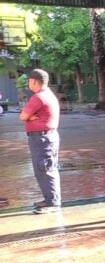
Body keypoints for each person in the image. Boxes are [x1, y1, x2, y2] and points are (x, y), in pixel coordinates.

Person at [19, 69, 61, 214]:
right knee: (44, 169)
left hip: (42, 138)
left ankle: (53, 203)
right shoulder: (48, 95)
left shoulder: (39, 97)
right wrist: (30, 117)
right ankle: (49, 199)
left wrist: (28, 117)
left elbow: (23, 116)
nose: (28, 83)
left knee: (45, 169)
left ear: (34, 81)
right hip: (46, 137)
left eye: (29, 81)